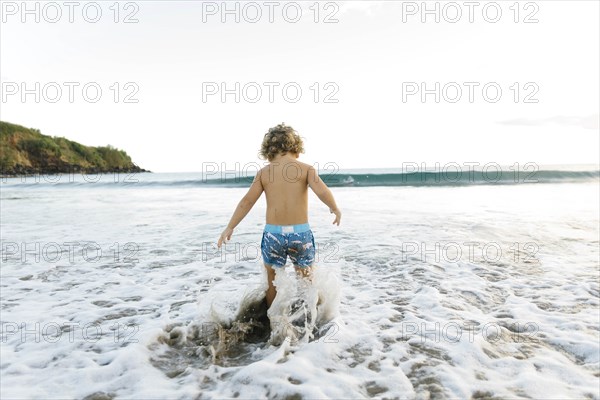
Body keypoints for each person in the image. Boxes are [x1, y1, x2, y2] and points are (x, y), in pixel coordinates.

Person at [217, 123, 341, 308]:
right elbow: (322, 191)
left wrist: (230, 226)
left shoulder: (264, 173)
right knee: (306, 277)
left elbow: (247, 202)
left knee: (272, 278)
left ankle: (274, 320)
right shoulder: (306, 169)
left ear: (268, 151)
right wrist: (334, 208)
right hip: (301, 235)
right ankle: (311, 316)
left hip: (274, 235)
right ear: (296, 148)